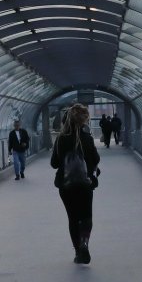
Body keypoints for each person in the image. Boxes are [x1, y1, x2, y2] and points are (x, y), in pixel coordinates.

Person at [50, 102, 100, 264]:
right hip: (85, 183)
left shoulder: (60, 139)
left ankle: (78, 252)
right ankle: (85, 243)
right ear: (83, 121)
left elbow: (54, 163)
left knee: (73, 218)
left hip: (66, 185)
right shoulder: (87, 138)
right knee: (86, 216)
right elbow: (96, 159)